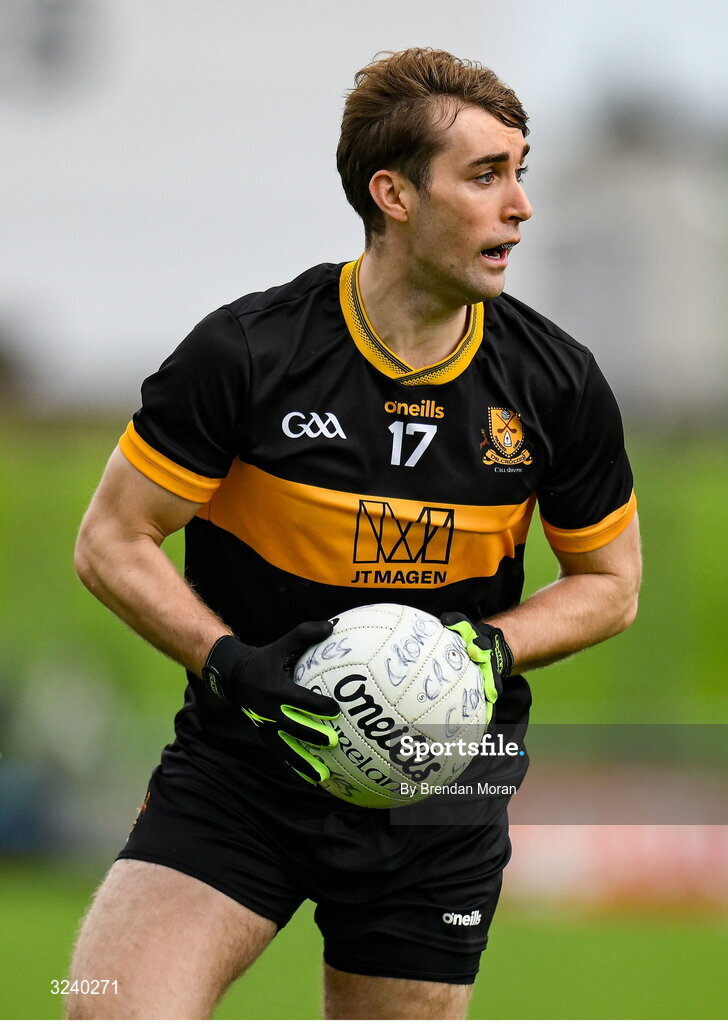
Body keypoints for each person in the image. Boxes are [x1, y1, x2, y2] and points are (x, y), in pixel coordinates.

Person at [68, 47, 641, 1020]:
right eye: (485, 175)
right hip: (245, 770)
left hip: (440, 795)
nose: (521, 207)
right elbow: (111, 540)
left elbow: (610, 583)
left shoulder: (555, 382)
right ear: (394, 194)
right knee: (105, 1008)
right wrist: (232, 665)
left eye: (520, 172)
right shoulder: (249, 353)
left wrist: (486, 648)